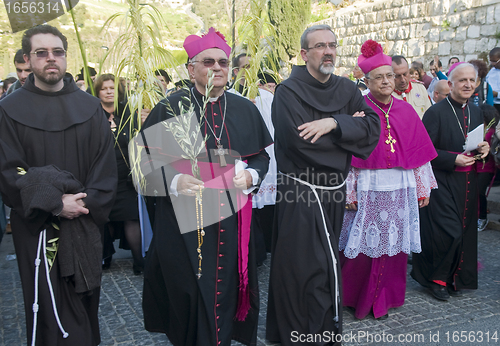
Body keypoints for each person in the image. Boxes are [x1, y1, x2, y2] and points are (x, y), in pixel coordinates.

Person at [140, 27, 272, 346]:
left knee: (227, 291)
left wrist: (252, 176)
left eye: (223, 62)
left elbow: (261, 159)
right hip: (183, 226)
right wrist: (173, 180)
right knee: (188, 293)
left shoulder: (244, 108)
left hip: (233, 221)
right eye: (208, 62)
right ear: (191, 69)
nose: (217, 68)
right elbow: (141, 167)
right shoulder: (171, 109)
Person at [0, 24, 117, 345]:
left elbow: (105, 168)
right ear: (28, 58)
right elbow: (8, 171)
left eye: (57, 52)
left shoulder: (90, 107)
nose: (50, 59)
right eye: (41, 53)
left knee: (84, 304)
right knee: (46, 308)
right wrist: (54, 203)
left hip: (84, 222)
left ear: (66, 57)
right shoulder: (8, 110)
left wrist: (82, 203)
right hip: (36, 226)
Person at [266, 24, 380, 345]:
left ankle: (323, 333)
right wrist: (348, 132)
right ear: (304, 54)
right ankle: (301, 336)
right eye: (319, 46)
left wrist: (332, 123)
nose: (328, 51)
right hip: (300, 193)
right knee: (304, 268)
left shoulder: (347, 89)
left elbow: (372, 128)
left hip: (333, 192)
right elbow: (301, 143)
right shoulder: (288, 92)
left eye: (332, 45)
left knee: (328, 266)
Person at [339, 39, 437, 320]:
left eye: (390, 76)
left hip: (400, 187)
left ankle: (387, 298)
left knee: (394, 248)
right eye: (379, 77)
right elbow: (349, 158)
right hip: (367, 187)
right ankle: (356, 297)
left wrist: (421, 187)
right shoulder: (358, 110)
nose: (386, 82)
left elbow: (417, 153)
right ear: (366, 80)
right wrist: (349, 193)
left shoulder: (405, 110)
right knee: (360, 250)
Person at [411, 62, 490, 301]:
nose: (467, 84)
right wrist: (452, 159)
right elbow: (424, 151)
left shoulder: (476, 111)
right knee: (450, 232)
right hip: (441, 182)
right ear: (450, 83)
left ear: (476, 84)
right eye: (462, 80)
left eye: (471, 81)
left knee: (464, 233)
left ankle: (455, 278)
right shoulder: (435, 112)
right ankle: (435, 280)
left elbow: (474, 142)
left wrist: (484, 147)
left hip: (468, 182)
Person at [94, 73, 144, 275]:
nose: (108, 92)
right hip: (102, 176)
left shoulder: (129, 114)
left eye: (112, 88)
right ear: (97, 91)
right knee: (104, 220)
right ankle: (104, 257)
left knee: (131, 217)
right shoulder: (93, 115)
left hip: (126, 176)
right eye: (104, 88)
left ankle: (139, 261)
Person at [477, 104, 499, 231]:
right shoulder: (480, 129)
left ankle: (483, 217)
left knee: (480, 192)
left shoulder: (492, 132)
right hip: (476, 166)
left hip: (487, 167)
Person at [486, 47, 500, 114]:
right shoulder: (492, 71)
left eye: (494, 61)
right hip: (491, 103)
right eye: (491, 61)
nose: (492, 64)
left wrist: (497, 94)